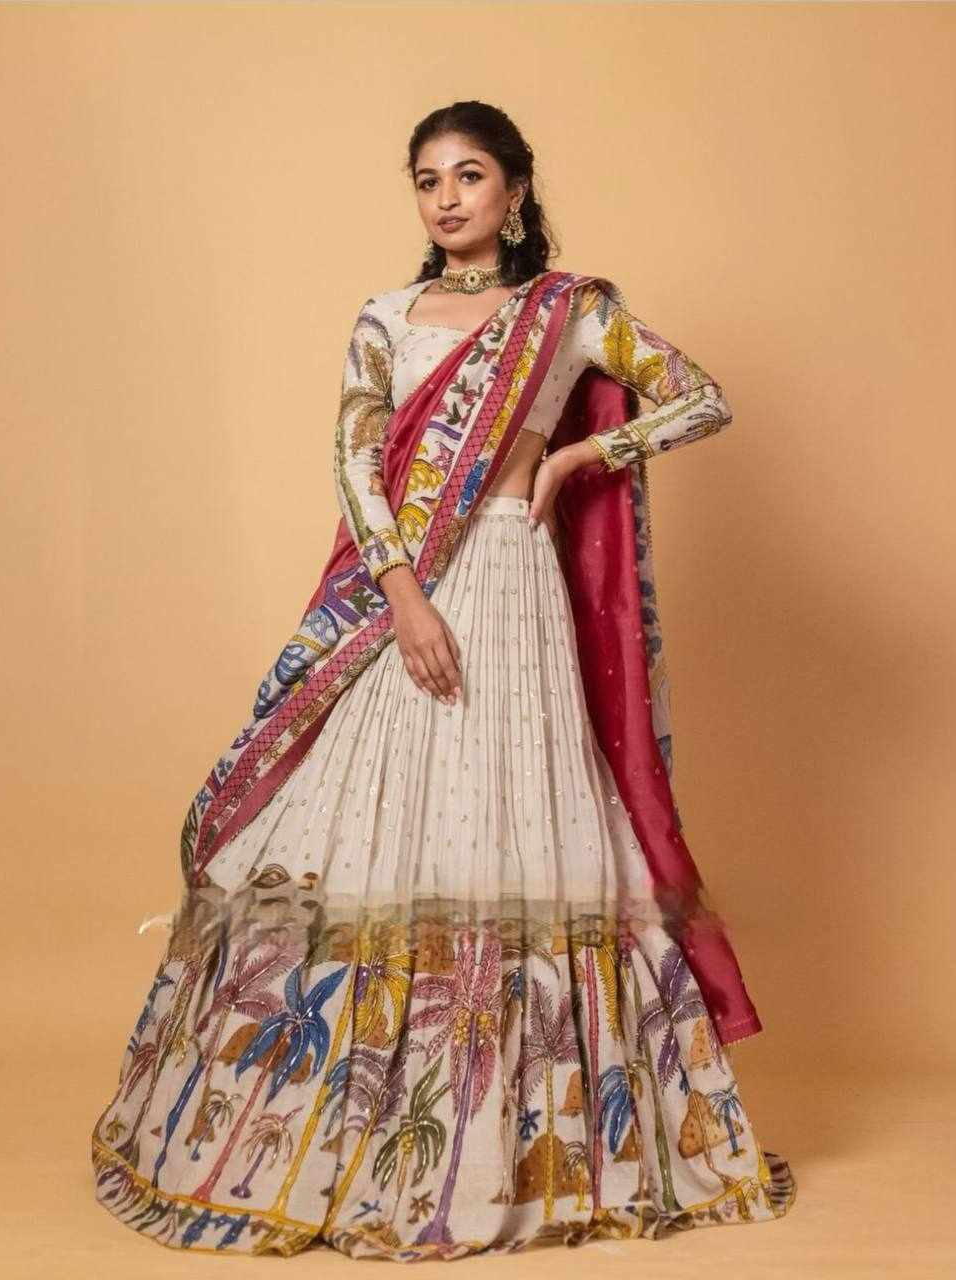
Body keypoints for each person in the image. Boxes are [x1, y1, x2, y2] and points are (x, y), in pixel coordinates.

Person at [91, 101, 796, 1260]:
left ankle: (527, 1147)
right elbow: (356, 461)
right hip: (407, 592)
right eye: (428, 180)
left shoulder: (569, 313)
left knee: (524, 826)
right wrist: (404, 596)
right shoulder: (386, 317)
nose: (448, 198)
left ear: (515, 190)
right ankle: (337, 1136)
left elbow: (700, 395)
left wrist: (583, 453)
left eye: (470, 175)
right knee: (368, 825)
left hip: (515, 588)